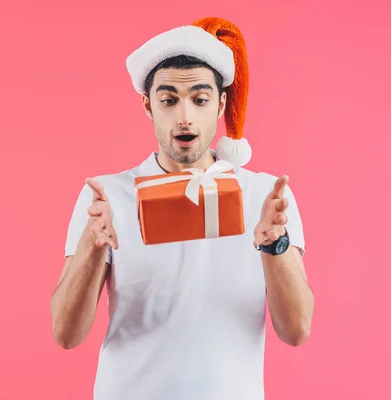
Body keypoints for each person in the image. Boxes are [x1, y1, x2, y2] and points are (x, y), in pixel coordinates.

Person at [50, 17, 314, 400]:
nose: (184, 116)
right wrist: (93, 244)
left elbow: (297, 330)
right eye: (169, 100)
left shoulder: (264, 196)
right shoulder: (106, 197)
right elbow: (66, 334)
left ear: (221, 103)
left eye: (200, 99)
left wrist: (275, 243)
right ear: (148, 105)